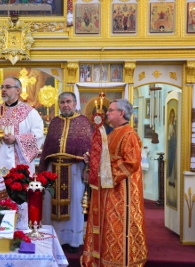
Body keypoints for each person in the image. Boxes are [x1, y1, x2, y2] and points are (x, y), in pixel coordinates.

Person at [81, 98, 147, 267]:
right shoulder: (110, 134)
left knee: (117, 226)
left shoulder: (129, 135)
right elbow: (105, 159)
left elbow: (131, 163)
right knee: (106, 226)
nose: (107, 113)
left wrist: (106, 173)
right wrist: (93, 160)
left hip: (122, 192)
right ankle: (102, 260)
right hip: (107, 190)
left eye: (110, 110)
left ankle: (118, 262)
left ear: (121, 113)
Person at [38, 92, 93, 253]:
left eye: (69, 101)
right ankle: (53, 239)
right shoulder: (55, 122)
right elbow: (47, 148)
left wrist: (87, 169)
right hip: (53, 170)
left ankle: (72, 241)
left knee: (75, 204)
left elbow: (89, 149)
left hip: (74, 169)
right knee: (49, 204)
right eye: (62, 102)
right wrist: (42, 171)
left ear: (75, 103)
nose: (65, 105)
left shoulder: (83, 122)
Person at [0, 76, 44, 174]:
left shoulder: (30, 112)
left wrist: (16, 138)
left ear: (18, 90)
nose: (3, 90)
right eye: (2, 87)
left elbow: (38, 135)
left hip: (21, 163)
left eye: (7, 87)